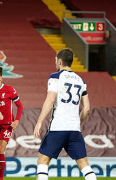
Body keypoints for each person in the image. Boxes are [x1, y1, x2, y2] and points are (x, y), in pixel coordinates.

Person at [33, 48, 97, 180]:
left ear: (60, 61)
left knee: (43, 161)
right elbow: (87, 108)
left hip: (58, 127)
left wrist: (39, 121)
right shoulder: (81, 81)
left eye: (56, 61)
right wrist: (78, 122)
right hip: (74, 129)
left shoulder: (55, 77)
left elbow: (50, 100)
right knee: (84, 164)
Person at [0, 67, 23, 180]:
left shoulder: (9, 90)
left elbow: (20, 106)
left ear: (0, 78)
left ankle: (1, 179)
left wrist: (16, 120)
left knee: (0, 150)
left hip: (6, 126)